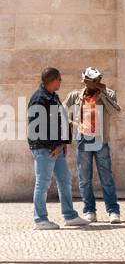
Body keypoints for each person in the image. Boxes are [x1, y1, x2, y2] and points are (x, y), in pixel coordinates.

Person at [28, 67, 88, 229]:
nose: (61, 82)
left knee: (64, 181)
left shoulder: (52, 96)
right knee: (43, 183)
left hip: (57, 148)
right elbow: (37, 128)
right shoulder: (39, 99)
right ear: (53, 80)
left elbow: (60, 121)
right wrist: (52, 146)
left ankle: (69, 216)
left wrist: (63, 143)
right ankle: (40, 219)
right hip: (45, 149)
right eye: (59, 79)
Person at [63, 67, 123, 224]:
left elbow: (116, 112)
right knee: (84, 178)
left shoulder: (108, 94)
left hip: (101, 141)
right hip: (83, 140)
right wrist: (71, 122)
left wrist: (103, 93)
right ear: (85, 81)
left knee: (106, 177)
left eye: (99, 79)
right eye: (93, 80)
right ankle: (89, 210)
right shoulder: (75, 95)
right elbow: (60, 109)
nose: (97, 82)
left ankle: (113, 211)